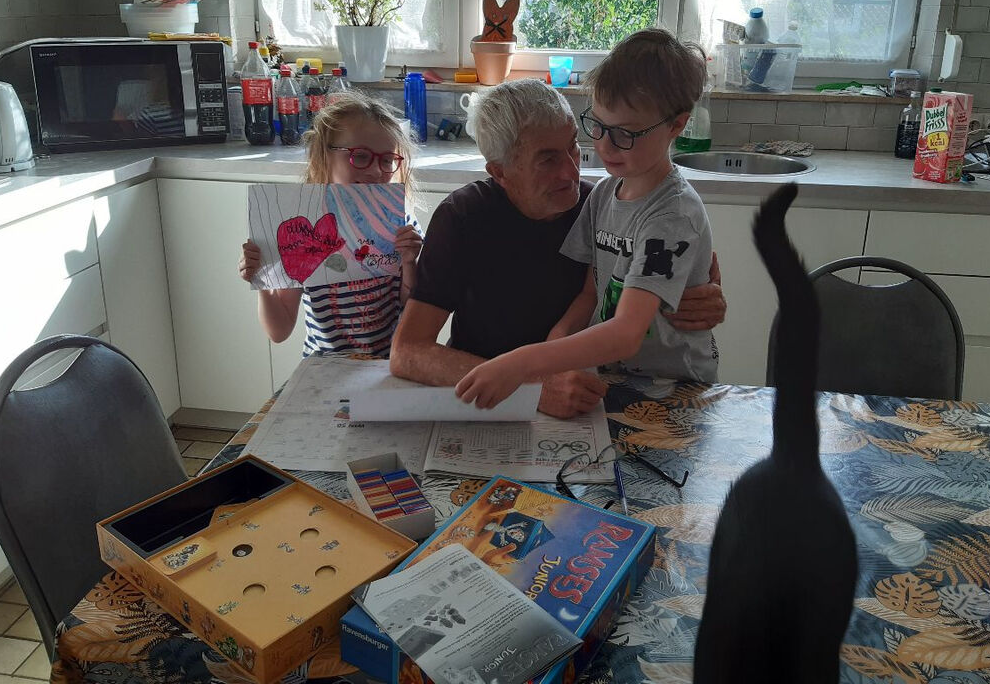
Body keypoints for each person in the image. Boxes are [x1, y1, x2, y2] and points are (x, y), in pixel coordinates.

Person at [389, 76, 725, 418]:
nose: (571, 171)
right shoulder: (463, 217)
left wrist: (694, 296)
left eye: (573, 146)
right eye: (547, 160)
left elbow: (654, 294)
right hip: (489, 401)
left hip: (586, 396)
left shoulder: (601, 208)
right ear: (500, 172)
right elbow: (408, 351)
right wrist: (531, 388)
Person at [455, 28, 718, 409]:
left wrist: (521, 362)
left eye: (625, 133)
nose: (605, 145)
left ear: (676, 125)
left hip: (674, 387)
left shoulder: (672, 216)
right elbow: (589, 294)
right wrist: (551, 352)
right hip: (616, 378)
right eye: (598, 125)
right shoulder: (604, 195)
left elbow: (627, 333)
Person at [238, 92, 424, 357]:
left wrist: (409, 262)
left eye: (386, 160)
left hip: (384, 366)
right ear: (324, 156)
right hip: (324, 367)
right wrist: (262, 279)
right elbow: (279, 331)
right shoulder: (302, 227)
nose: (375, 171)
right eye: (361, 156)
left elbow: (411, 308)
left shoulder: (401, 224)